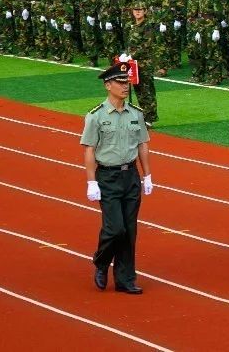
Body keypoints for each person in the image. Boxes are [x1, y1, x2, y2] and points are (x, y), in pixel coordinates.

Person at [81, 58, 153, 294]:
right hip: (108, 177)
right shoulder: (96, 116)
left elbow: (143, 144)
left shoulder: (136, 114)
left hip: (130, 175)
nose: (125, 86)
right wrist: (92, 181)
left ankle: (125, 279)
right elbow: (89, 149)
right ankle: (101, 262)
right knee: (115, 228)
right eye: (120, 81)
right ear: (107, 85)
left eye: (127, 81)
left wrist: (147, 175)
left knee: (130, 230)